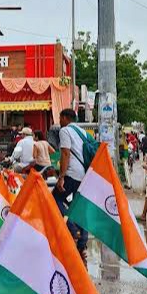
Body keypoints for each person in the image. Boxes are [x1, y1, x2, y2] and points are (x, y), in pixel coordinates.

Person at [54, 109, 88, 259]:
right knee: (78, 206)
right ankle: (82, 243)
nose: (59, 121)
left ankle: (73, 230)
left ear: (65, 118)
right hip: (84, 175)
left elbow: (65, 153)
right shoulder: (83, 132)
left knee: (55, 200)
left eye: (60, 118)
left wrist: (61, 177)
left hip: (71, 174)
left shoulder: (65, 131)